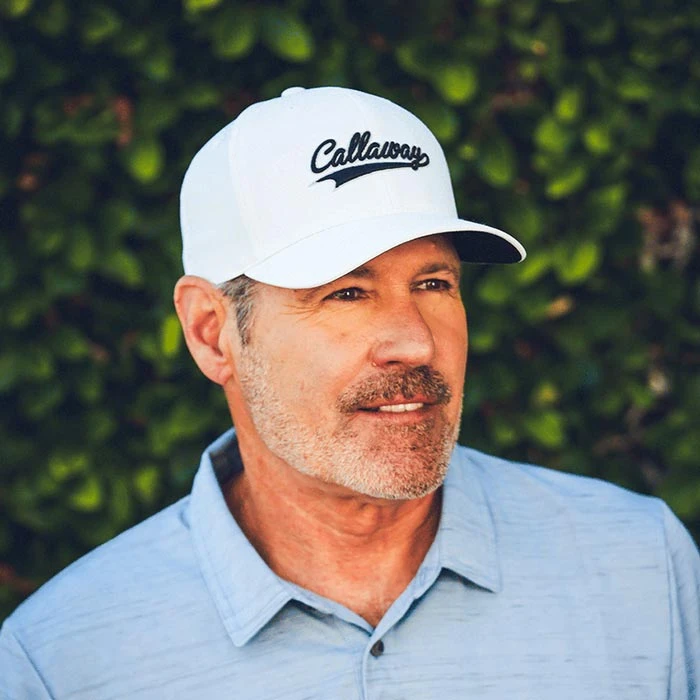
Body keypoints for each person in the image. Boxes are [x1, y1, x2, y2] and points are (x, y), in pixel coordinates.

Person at [1, 86, 698, 699]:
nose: (415, 343)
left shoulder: (642, 565)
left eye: (434, 283)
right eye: (347, 293)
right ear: (213, 333)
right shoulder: (64, 661)